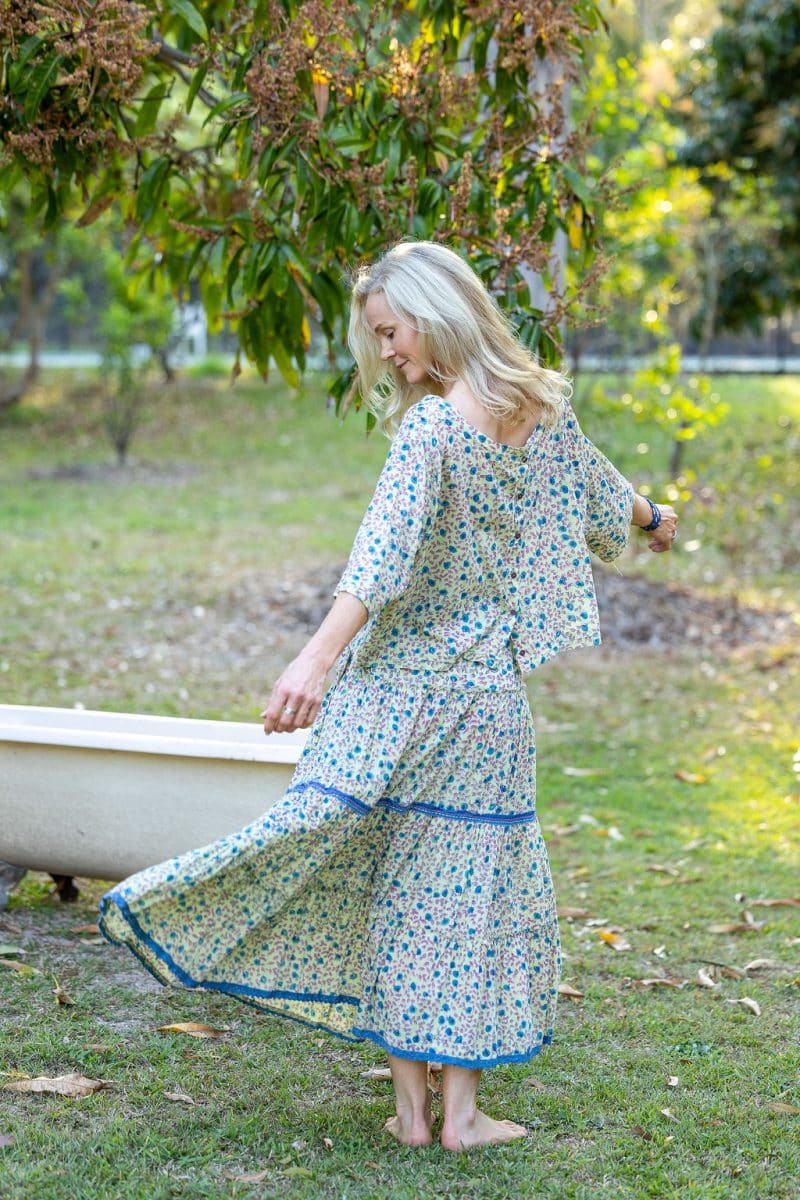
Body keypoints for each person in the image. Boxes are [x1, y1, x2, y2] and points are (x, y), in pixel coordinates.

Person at [98, 240, 678, 1152]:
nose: (387, 352)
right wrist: (656, 519)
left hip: (396, 700)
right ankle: (459, 1117)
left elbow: (382, 554)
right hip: (485, 707)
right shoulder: (544, 409)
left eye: (391, 331)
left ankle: (415, 1115)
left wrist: (314, 660)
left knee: (399, 886)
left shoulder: (433, 429)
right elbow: (606, 493)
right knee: (467, 898)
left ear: (436, 315)